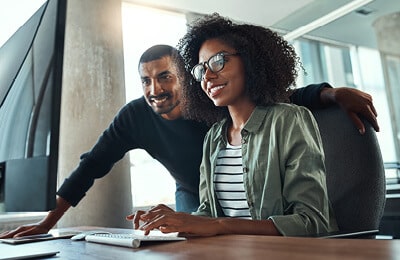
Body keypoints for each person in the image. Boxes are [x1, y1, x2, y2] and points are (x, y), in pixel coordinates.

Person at [0, 40, 375, 238]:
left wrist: (331, 93)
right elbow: (92, 165)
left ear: (185, 76)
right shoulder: (135, 116)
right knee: (184, 237)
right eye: (146, 80)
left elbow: (282, 97)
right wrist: (49, 222)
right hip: (195, 194)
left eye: (165, 76)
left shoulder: (214, 102)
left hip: (254, 194)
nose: (155, 88)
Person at [127, 13, 339, 237]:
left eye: (219, 61)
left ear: (249, 60)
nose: (207, 76)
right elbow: (209, 214)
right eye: (201, 69)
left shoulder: (289, 120)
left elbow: (312, 222)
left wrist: (221, 225)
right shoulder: (214, 137)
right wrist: (175, 219)